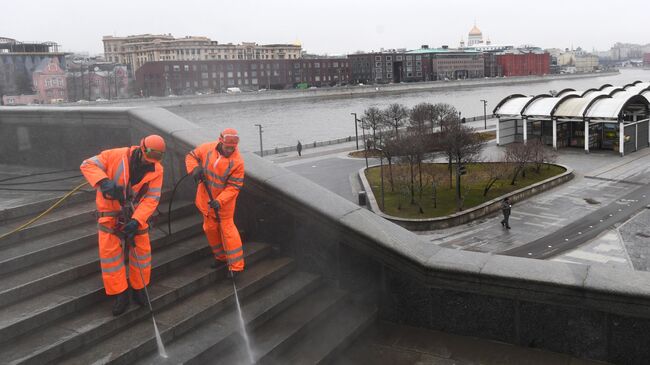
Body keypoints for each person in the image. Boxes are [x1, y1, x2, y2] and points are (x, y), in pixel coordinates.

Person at [80, 135, 165, 316]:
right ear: (141, 149)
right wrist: (104, 182)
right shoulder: (115, 155)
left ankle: (139, 288)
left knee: (142, 253)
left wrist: (137, 220)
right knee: (111, 257)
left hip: (136, 215)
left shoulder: (157, 169)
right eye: (147, 158)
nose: (148, 163)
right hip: (109, 216)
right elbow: (87, 164)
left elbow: (152, 198)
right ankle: (120, 293)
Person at [185, 128, 245, 277]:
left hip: (223, 206)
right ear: (220, 141)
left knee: (229, 233)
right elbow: (191, 156)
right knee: (210, 229)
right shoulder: (207, 148)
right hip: (205, 201)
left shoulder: (237, 162)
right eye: (227, 147)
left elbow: (234, 187)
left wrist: (219, 201)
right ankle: (221, 258)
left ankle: (236, 267)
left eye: (233, 148)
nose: (230, 150)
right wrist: (194, 169)